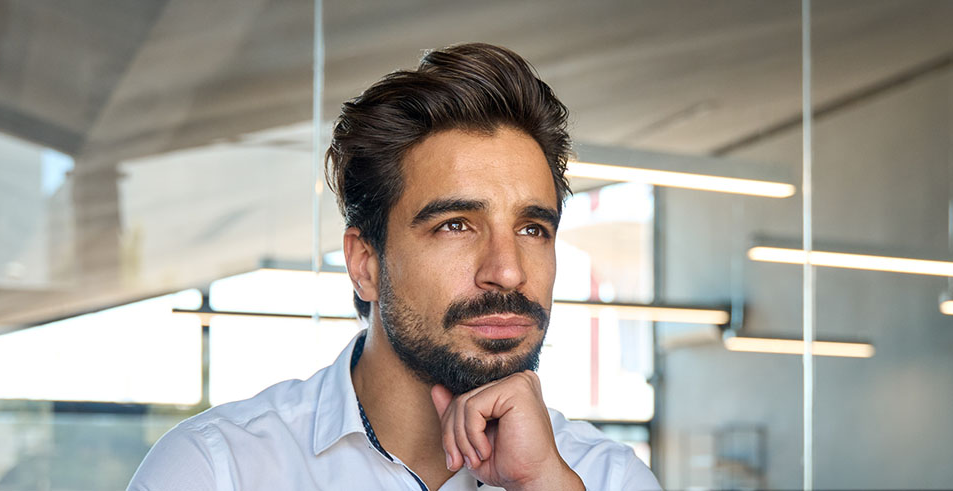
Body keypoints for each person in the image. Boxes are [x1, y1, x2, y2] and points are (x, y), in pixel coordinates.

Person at [128, 43, 661, 491]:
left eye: (532, 229)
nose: (509, 271)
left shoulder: (605, 478)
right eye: (455, 224)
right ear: (364, 263)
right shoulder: (217, 471)